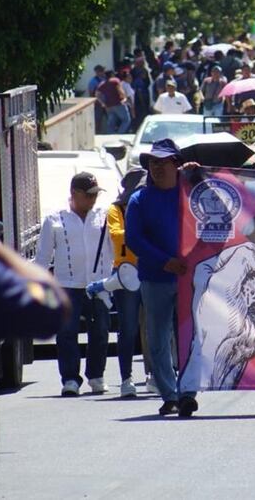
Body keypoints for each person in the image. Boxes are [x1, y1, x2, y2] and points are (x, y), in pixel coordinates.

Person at [125, 139, 199, 417]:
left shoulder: (192, 190)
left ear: (176, 164)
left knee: (190, 337)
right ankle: (170, 394)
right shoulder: (139, 199)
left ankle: (188, 392)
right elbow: (134, 239)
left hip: (189, 278)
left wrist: (201, 173)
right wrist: (165, 262)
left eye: (163, 161)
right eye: (152, 162)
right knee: (157, 339)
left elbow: (219, 209)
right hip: (155, 277)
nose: (156, 167)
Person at [34, 172, 113, 397]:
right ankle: (70, 379)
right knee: (67, 333)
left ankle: (96, 376)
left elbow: (113, 249)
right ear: (75, 194)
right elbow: (43, 256)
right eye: (88, 195)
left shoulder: (104, 216)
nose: (93, 199)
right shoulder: (56, 219)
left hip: (97, 285)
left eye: (95, 194)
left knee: (100, 331)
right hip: (66, 285)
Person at [89, 169, 147, 397]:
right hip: (125, 271)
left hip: (150, 270)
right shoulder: (116, 209)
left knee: (153, 328)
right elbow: (117, 235)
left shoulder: (148, 206)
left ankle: (154, 376)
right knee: (128, 328)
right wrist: (141, 232)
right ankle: (126, 378)